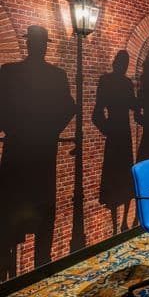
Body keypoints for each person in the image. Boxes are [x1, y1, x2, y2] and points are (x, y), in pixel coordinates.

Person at [0, 26, 75, 278]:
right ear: (44, 45)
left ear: (29, 43)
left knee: (11, 209)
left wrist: (10, 127)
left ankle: (6, 272)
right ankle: (41, 270)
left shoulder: (9, 72)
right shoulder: (56, 75)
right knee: (42, 210)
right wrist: (50, 130)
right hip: (43, 151)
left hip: (17, 150)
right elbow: (69, 108)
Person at [92, 50, 138, 236]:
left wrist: (107, 128)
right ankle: (121, 223)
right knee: (121, 176)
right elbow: (133, 105)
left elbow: (97, 113)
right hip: (121, 132)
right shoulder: (122, 83)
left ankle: (120, 223)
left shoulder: (108, 81)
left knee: (118, 175)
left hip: (117, 133)